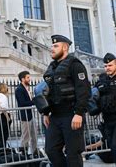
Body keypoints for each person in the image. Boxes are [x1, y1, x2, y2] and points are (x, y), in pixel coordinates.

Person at [42, 35, 91, 166]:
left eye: (55, 46)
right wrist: (46, 113)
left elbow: (84, 90)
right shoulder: (51, 67)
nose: (52, 49)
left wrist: (79, 113)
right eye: (52, 46)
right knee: (51, 150)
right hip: (55, 116)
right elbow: (49, 92)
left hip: (72, 115)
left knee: (73, 153)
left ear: (65, 47)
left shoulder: (75, 65)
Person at [15, 71, 39, 157]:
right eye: (28, 77)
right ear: (23, 79)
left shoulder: (26, 88)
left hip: (31, 115)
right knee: (25, 136)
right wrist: (34, 102)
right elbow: (22, 103)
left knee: (34, 135)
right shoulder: (19, 89)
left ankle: (35, 152)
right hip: (25, 116)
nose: (29, 79)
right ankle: (23, 153)